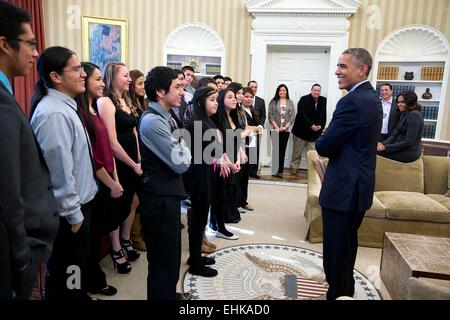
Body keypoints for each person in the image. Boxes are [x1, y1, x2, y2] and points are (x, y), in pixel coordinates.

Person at [0, 2, 59, 300]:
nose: (36, 53)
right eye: (31, 44)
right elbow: (8, 189)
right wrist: (22, 256)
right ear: (4, 44)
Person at [30, 46, 98, 300]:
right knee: (68, 277)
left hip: (78, 209)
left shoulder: (65, 106)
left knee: (74, 274)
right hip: (70, 214)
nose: (83, 74)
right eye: (77, 68)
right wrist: (74, 215)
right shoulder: (53, 113)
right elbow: (60, 172)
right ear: (56, 76)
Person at [315, 48, 382, 300]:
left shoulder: (352, 101)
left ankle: (339, 293)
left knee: (336, 251)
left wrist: (325, 137)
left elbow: (324, 145)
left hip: (344, 189)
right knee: (347, 245)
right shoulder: (372, 97)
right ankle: (346, 288)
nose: (337, 71)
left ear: (362, 69)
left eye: (343, 66)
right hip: (358, 187)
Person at [139, 66, 191, 300]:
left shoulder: (167, 116)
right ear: (160, 91)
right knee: (162, 260)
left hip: (168, 194)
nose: (182, 91)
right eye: (177, 87)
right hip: (158, 199)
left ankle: (169, 294)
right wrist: (184, 150)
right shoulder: (153, 122)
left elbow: (183, 149)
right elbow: (182, 162)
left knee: (171, 256)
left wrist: (183, 149)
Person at [75, 62, 120, 295]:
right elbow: (93, 158)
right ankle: (88, 282)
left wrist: (115, 177)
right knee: (86, 243)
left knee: (94, 239)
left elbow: (107, 149)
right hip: (95, 182)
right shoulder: (80, 114)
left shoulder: (94, 109)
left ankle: (93, 278)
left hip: (104, 181)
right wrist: (111, 182)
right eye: (97, 79)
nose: (102, 83)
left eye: (103, 79)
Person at [97, 62, 142, 272]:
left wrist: (139, 159)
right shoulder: (106, 102)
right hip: (120, 163)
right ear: (113, 77)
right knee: (117, 207)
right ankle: (116, 250)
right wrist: (133, 164)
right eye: (126, 76)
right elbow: (112, 143)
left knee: (133, 200)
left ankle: (126, 239)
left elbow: (133, 131)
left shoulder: (126, 100)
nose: (130, 80)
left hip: (133, 161)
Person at [186, 86, 231, 277]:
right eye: (212, 99)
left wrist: (222, 159)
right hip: (198, 177)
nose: (216, 103)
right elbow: (206, 151)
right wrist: (220, 159)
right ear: (201, 101)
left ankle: (194, 256)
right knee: (198, 219)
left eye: (216, 99)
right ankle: (195, 262)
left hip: (205, 173)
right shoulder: (197, 122)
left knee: (201, 218)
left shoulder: (205, 120)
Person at [128, 69, 147, 252]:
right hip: (134, 157)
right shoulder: (129, 105)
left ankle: (139, 233)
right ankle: (133, 237)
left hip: (144, 156)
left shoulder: (143, 104)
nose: (143, 87)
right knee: (135, 199)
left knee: (141, 198)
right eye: (140, 83)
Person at [377, 91, 424, 163]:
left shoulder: (414, 115)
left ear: (410, 102)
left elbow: (408, 142)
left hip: (409, 152)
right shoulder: (404, 113)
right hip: (399, 147)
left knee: (374, 153)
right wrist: (382, 144)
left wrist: (385, 147)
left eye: (402, 102)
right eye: (398, 102)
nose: (399, 104)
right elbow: (394, 135)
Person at [290, 84, 327, 175]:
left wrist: (320, 126)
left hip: (315, 133)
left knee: (313, 155)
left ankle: (312, 172)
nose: (316, 92)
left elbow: (323, 115)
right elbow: (302, 115)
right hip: (300, 131)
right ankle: (293, 170)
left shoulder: (324, 100)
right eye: (315, 90)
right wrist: (311, 125)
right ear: (311, 90)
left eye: (318, 90)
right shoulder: (303, 99)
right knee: (297, 153)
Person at [268, 84, 295, 178]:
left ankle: (280, 171)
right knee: (276, 150)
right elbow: (270, 115)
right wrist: (276, 127)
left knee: (282, 151)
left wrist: (286, 127)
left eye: (284, 90)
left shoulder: (290, 102)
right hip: (275, 129)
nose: (282, 92)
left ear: (286, 91)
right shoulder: (273, 101)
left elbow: (292, 116)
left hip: (286, 130)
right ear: (278, 91)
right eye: (280, 90)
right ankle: (275, 170)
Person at [247, 80, 266, 179]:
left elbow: (263, 115)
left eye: (255, 87)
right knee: (247, 150)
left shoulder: (261, 101)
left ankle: (253, 171)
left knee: (255, 151)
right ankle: (246, 170)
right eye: (252, 87)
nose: (254, 89)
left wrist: (260, 126)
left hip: (257, 130)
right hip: (246, 130)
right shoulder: (243, 100)